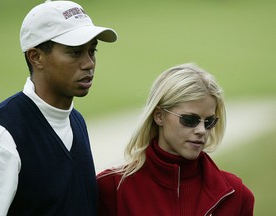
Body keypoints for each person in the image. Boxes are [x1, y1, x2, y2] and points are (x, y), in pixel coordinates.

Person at [0, 0, 117, 215]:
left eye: (92, 51)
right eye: (75, 53)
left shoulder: (76, 121)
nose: (89, 63)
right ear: (36, 57)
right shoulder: (0, 137)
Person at [97, 63, 254, 216]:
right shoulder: (111, 188)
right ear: (159, 115)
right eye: (189, 119)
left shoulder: (236, 195)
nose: (201, 131)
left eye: (209, 122)